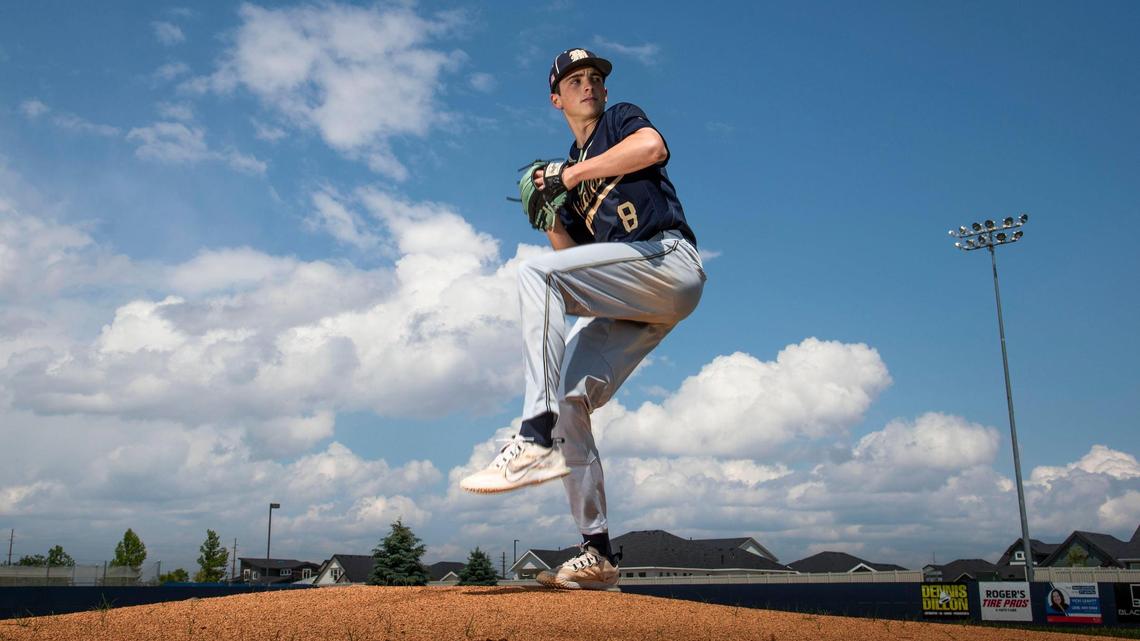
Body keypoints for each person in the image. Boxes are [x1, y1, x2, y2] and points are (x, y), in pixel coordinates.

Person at [460, 48, 706, 591]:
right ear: (557, 99)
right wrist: (550, 218)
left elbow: (652, 148)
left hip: (667, 261)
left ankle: (532, 437)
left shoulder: (619, 122)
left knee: (535, 275)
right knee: (569, 398)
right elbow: (576, 268)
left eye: (594, 77)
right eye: (574, 80)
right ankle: (597, 552)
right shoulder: (569, 179)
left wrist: (567, 177)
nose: (588, 84)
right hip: (629, 298)